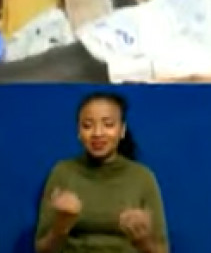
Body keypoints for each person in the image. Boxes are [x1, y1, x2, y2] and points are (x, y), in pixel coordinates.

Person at [35, 91, 169, 253]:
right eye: (87, 125)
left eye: (108, 124)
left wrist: (142, 240)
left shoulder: (142, 177)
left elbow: (162, 250)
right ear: (79, 132)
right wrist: (61, 226)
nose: (98, 133)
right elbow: (41, 250)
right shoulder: (63, 172)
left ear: (122, 130)